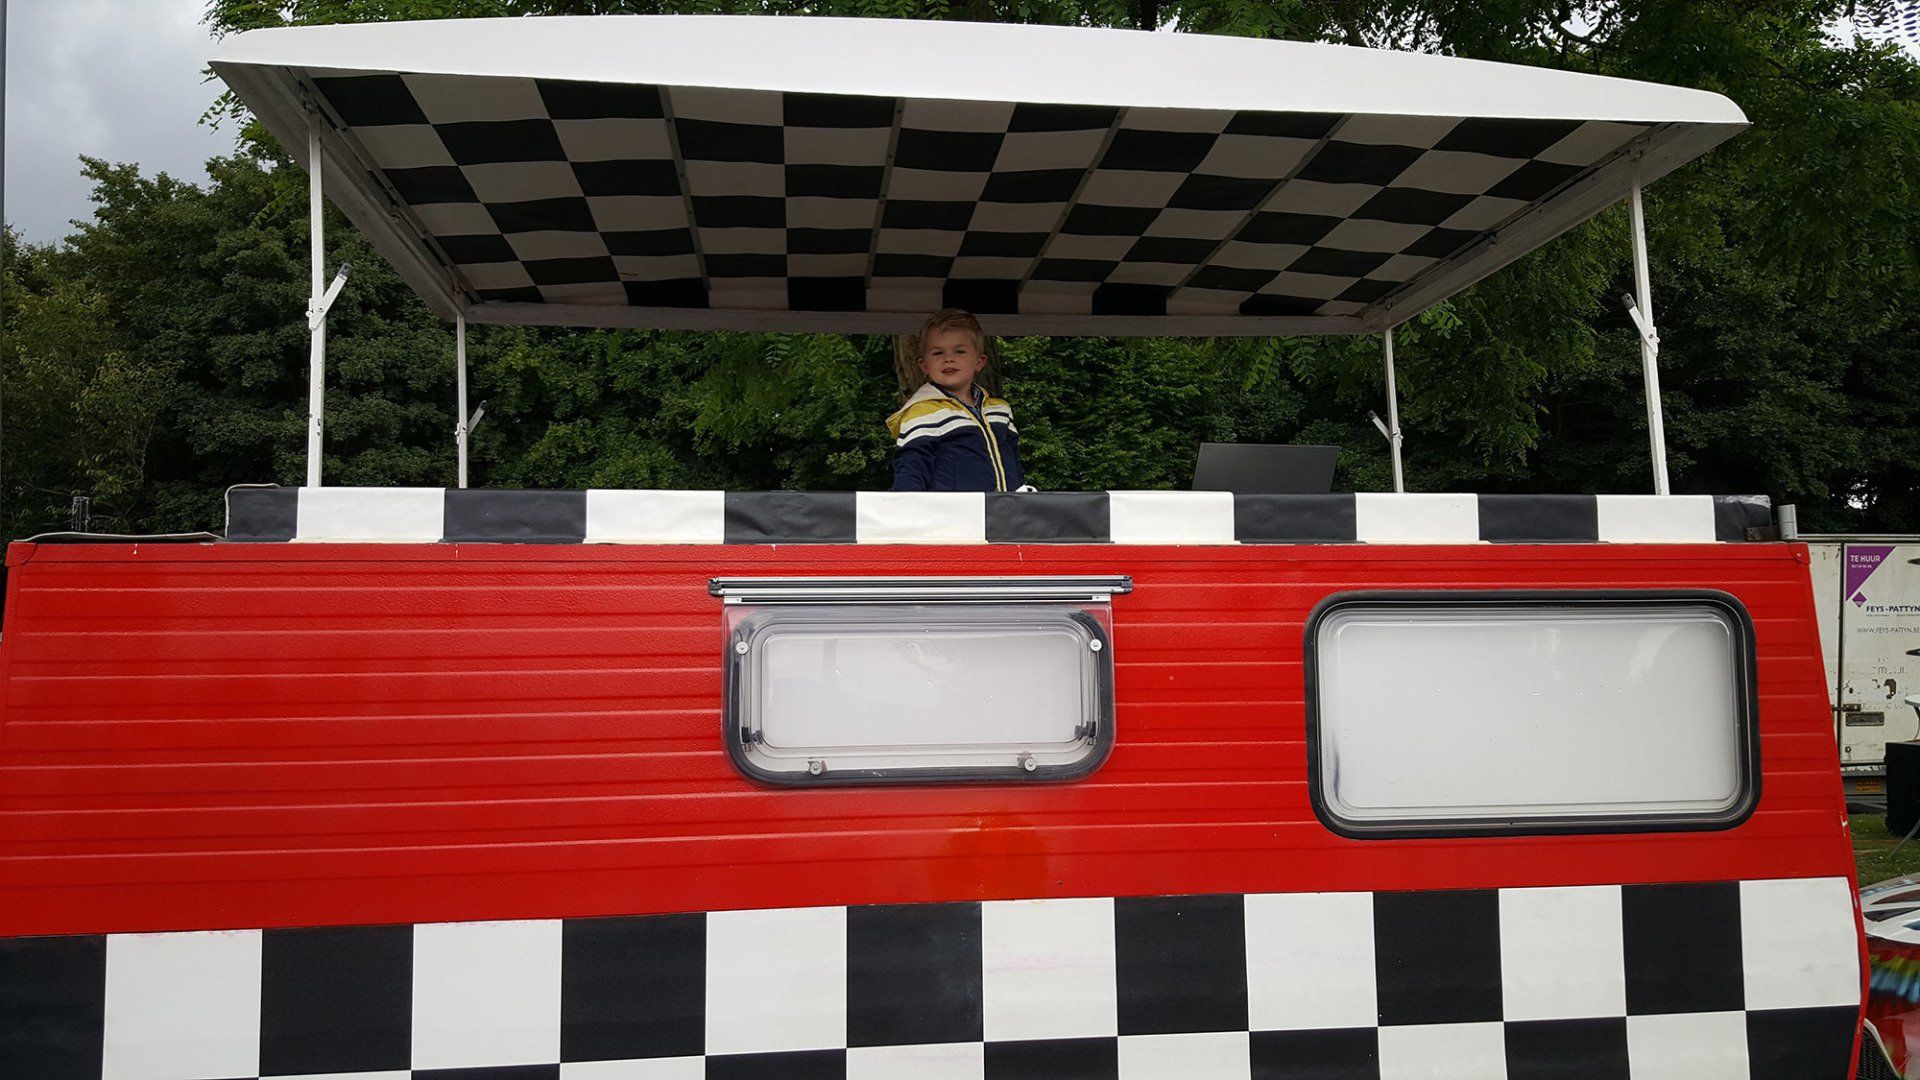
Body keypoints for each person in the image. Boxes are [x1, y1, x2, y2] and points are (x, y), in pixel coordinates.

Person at [887, 309, 1027, 492]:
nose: (948, 359)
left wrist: (1021, 498)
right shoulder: (921, 412)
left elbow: (1014, 463)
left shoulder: (1001, 410)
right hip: (950, 510)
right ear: (924, 365)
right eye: (938, 353)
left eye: (959, 351)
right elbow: (910, 469)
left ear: (979, 362)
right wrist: (907, 505)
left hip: (1003, 507)